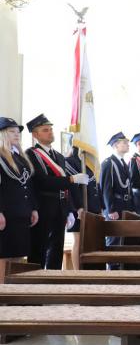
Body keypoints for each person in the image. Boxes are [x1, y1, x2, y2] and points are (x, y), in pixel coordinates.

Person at [25, 114, 88, 269]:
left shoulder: (58, 156)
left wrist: (72, 208)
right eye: (45, 130)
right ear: (35, 134)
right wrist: (71, 179)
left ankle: (53, 278)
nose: (50, 132)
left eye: (51, 129)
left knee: (57, 247)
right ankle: (35, 279)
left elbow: (67, 185)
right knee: (39, 247)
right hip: (44, 205)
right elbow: (42, 181)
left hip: (60, 205)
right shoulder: (31, 154)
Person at [0, 118, 38, 261]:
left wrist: (33, 208)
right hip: (7, 214)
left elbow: (28, 185)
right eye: (12, 131)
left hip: (22, 213)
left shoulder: (19, 157)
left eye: (18, 132)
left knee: (18, 256)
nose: (17, 134)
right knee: (4, 257)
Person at [100, 132, 133, 269]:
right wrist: (110, 209)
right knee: (114, 239)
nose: (127, 144)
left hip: (125, 205)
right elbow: (106, 188)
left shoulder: (123, 163)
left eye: (127, 142)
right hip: (115, 206)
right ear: (115, 145)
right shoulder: (108, 163)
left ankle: (122, 268)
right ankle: (113, 270)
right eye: (124, 142)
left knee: (124, 239)